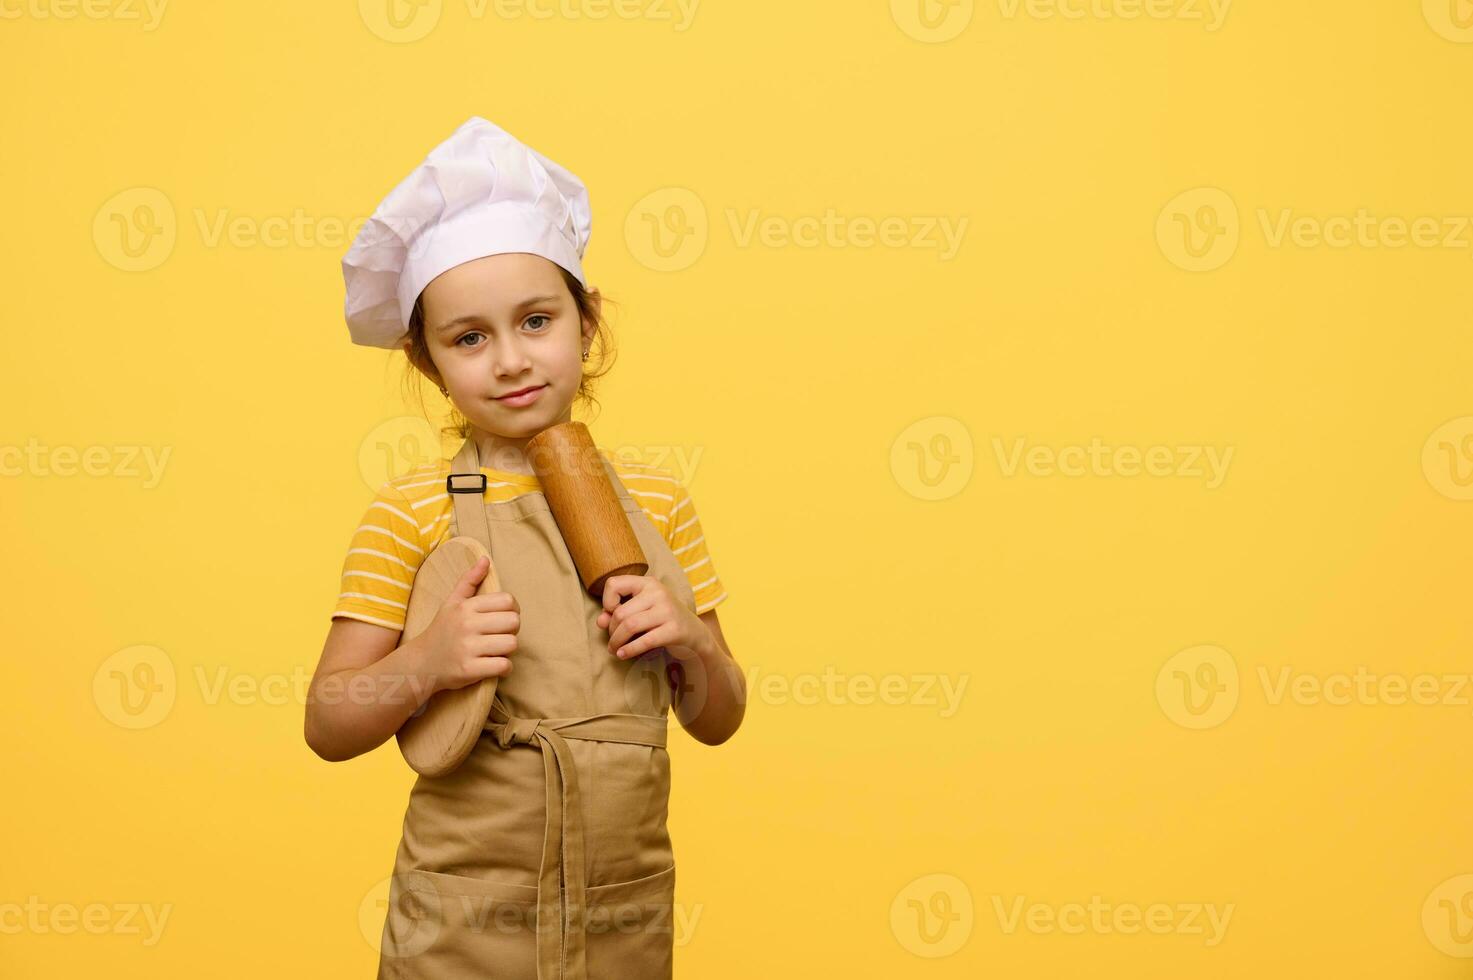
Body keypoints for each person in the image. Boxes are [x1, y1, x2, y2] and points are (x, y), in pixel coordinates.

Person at [304, 116, 746, 979]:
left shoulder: (655, 502)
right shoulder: (411, 511)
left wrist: (689, 639)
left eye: (536, 320)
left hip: (620, 910)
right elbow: (327, 722)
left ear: (585, 324)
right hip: (463, 922)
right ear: (429, 364)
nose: (510, 360)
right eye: (469, 338)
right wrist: (429, 662)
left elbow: (721, 717)